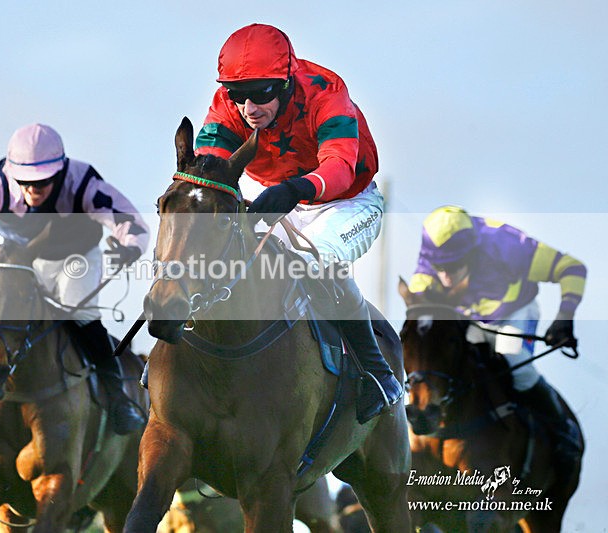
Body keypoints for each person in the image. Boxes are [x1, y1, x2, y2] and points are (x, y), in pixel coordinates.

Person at [194, 23, 402, 424]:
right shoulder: (227, 105)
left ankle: (378, 373)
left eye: (261, 94)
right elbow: (208, 168)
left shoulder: (326, 91)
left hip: (346, 201)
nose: (249, 108)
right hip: (283, 197)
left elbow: (340, 168)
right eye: (238, 95)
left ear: (287, 81)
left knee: (314, 262)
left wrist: (292, 190)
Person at [0, 123, 149, 435]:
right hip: (22, 261)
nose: (34, 189)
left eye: (44, 181)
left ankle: (118, 398)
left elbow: (130, 221)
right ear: (13, 173)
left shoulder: (82, 180)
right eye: (25, 182)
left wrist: (130, 246)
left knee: (78, 313)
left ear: (60, 170)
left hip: (75, 259)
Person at [408, 205, 586, 449]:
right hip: (469, 318)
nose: (446, 276)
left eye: (454, 265)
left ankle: (561, 431)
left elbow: (572, 268)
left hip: (514, 312)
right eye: (440, 267)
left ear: (471, 253)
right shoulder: (432, 255)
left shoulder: (508, 245)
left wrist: (564, 316)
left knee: (516, 367)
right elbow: (419, 306)